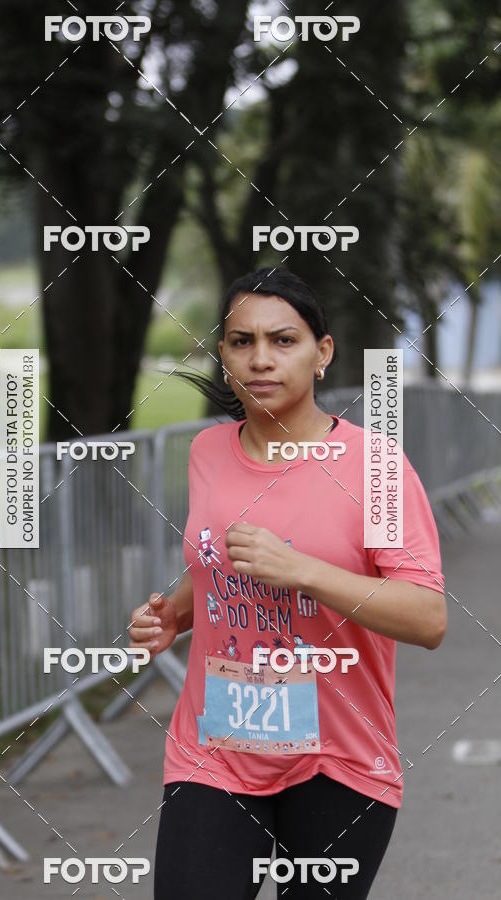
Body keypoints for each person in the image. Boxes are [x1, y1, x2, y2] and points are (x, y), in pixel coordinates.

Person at [129, 267, 447, 899]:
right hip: (216, 747)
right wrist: (174, 615)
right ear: (224, 356)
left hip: (338, 756)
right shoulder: (208, 452)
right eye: (241, 341)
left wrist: (300, 569)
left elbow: (427, 617)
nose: (260, 359)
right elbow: (217, 565)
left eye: (283, 340)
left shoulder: (376, 466)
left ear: (321, 353)